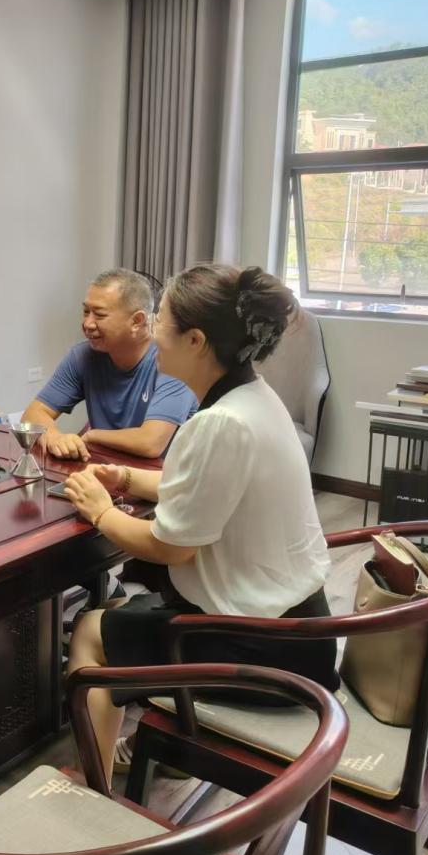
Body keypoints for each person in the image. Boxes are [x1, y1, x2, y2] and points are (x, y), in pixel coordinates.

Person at [62, 265, 338, 783]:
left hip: (262, 651)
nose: (152, 334)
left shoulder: (219, 424)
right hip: (299, 630)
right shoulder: (254, 399)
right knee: (124, 610)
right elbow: (205, 488)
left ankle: (89, 788)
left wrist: (101, 511)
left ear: (195, 340)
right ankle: (153, 749)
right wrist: (127, 478)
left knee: (90, 632)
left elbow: (170, 547)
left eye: (161, 321)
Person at [21, 269, 195, 461]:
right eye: (86, 312)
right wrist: (54, 436)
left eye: (99, 315)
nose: (87, 324)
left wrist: (92, 436)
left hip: (161, 476)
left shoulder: (172, 361)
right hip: (104, 469)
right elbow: (33, 414)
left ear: (137, 321)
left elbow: (151, 442)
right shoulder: (82, 356)